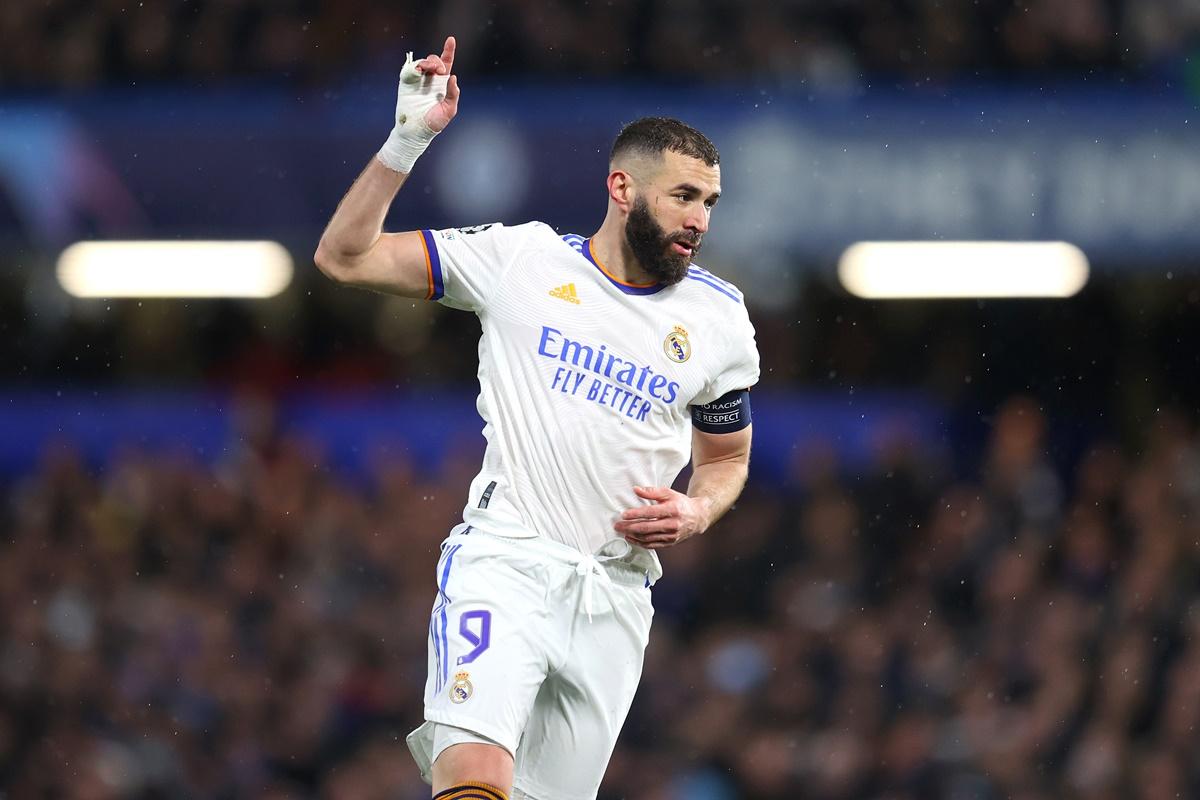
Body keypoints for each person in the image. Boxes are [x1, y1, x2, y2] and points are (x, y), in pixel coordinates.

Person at [315, 35, 759, 800]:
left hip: (615, 599)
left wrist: (697, 510)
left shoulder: (720, 321)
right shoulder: (519, 260)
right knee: (476, 779)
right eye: (684, 196)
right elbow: (344, 256)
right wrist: (406, 139)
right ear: (622, 187)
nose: (700, 220)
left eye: (710, 202)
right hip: (507, 563)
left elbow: (725, 460)